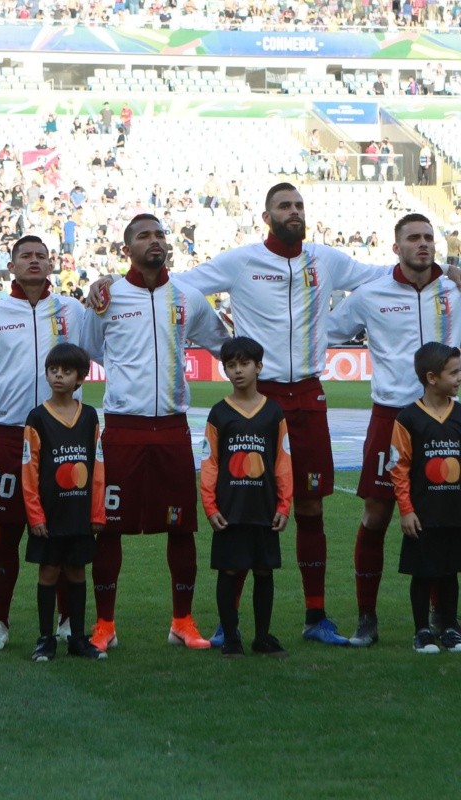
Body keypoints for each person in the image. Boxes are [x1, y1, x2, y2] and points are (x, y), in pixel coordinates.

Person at [89, 184, 395, 645]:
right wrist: (109, 284)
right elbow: (180, 284)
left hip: (309, 395)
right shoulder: (240, 261)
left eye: (299, 206)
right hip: (258, 400)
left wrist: (441, 269)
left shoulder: (326, 260)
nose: (293, 213)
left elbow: (376, 275)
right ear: (266, 215)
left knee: (310, 506)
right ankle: (226, 621)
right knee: (239, 506)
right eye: (284, 207)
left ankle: (316, 617)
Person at [80, 213, 231, 652]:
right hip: (123, 427)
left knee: (181, 528)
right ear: (127, 248)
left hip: (171, 427)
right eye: (144, 235)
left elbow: (223, 344)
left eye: (160, 234)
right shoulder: (108, 296)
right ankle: (105, 624)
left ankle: (182, 620)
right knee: (107, 528)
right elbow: (89, 348)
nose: (155, 241)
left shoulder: (187, 297)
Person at [327, 213, 461, 646]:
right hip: (392, 416)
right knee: (378, 513)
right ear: (396, 247)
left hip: (446, 419)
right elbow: (324, 328)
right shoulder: (370, 294)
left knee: (444, 515)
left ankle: (444, 617)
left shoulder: (454, 289)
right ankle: (367, 617)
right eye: (413, 238)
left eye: (428, 238)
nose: (423, 245)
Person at [0, 235, 85, 651]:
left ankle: (66, 619)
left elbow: (91, 352)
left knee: (64, 531)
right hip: (10, 432)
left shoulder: (72, 310)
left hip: (64, 436)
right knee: (8, 531)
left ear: (51, 264)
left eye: (41, 256)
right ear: (11, 266)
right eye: (26, 256)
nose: (34, 262)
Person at [200, 336, 292, 659]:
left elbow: (282, 462)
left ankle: (263, 637)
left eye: (244, 364)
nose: (238, 371)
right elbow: (209, 463)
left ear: (259, 366)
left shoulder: (274, 412)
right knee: (229, 571)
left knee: (264, 571)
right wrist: (210, 506)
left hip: (264, 508)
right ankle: (230, 638)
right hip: (230, 509)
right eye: (231, 365)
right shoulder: (219, 413)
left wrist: (284, 504)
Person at [22, 343, 106, 662]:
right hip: (49, 512)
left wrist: (97, 510)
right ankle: (46, 639)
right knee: (48, 571)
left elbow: (97, 465)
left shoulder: (89, 417)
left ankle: (78, 638)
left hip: (80, 511)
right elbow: (29, 468)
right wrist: (35, 515)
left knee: (76, 572)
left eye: (66, 371)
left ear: (81, 378)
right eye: (53, 370)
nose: (58, 376)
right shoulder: (37, 417)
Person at [390, 342, 461, 654]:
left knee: (449, 572)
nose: (459, 377)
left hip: (454, 512)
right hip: (423, 512)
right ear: (432, 378)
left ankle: (449, 628)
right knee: (423, 572)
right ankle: (422, 631)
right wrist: (406, 510)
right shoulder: (407, 419)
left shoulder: (459, 415)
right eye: (454, 372)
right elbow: (399, 467)